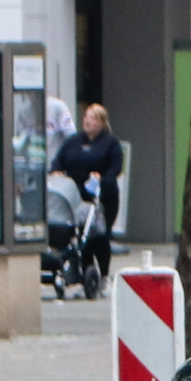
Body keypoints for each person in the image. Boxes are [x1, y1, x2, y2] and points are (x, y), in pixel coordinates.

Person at [49, 102, 123, 280]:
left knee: (98, 235)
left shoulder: (111, 144)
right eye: (86, 117)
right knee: (81, 235)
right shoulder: (73, 141)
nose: (88, 121)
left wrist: (103, 178)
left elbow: (116, 168)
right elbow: (59, 159)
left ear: (102, 122)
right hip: (77, 195)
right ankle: (86, 272)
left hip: (101, 196)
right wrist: (57, 170)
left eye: (93, 118)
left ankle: (103, 273)